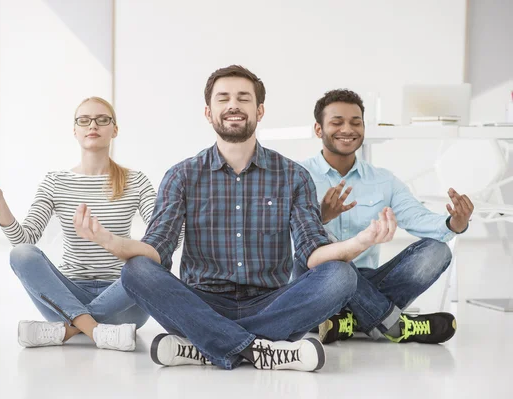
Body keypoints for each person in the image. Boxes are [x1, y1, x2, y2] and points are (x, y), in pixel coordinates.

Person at [73, 66, 397, 371]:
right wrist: (110, 241)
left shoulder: (293, 176)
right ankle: (262, 350)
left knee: (341, 275)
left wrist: (361, 241)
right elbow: (156, 251)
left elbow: (313, 253)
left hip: (272, 303)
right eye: (223, 98)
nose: (233, 105)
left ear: (259, 111)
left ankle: (204, 345)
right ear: (208, 112)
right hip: (200, 302)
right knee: (136, 271)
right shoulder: (182, 175)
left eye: (244, 98)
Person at [0, 97, 153, 351]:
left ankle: (67, 330)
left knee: (153, 258)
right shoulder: (56, 181)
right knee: (21, 254)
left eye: (102, 119)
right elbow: (25, 240)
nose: (93, 125)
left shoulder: (137, 181)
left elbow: (163, 238)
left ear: (114, 129)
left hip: (124, 303)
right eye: (84, 120)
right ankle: (97, 331)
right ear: (75, 130)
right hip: (66, 297)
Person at [300, 89, 474, 345]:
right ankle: (394, 325)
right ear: (318, 129)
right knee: (327, 246)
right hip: (317, 281)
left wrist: (453, 223)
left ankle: (347, 321)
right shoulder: (298, 175)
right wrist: (321, 217)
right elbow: (291, 239)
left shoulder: (383, 179)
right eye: (337, 122)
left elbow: (417, 217)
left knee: (438, 251)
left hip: (368, 279)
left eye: (355, 122)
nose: (347, 129)